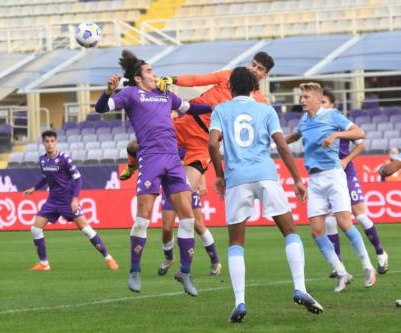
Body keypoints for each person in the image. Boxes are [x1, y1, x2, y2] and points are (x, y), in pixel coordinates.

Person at [128, 52, 276, 277]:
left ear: (264, 77)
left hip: (203, 143)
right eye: (253, 64)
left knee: (185, 200)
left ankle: (192, 263)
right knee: (133, 143)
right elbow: (199, 79)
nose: (254, 69)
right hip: (184, 123)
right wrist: (172, 80)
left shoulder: (259, 102)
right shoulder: (228, 76)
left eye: (259, 69)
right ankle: (132, 166)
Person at [208, 68, 322, 323]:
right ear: (253, 88)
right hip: (266, 175)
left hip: (237, 179)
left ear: (230, 88)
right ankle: (300, 287)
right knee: (290, 231)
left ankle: (239, 302)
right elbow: (282, 145)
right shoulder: (266, 109)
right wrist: (296, 179)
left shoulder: (221, 111)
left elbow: (212, 144)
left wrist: (219, 174)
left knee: (236, 243)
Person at [95, 50, 213, 296]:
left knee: (188, 217)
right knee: (144, 217)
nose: (155, 74)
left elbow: (190, 108)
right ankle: (135, 270)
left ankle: (186, 272)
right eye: (150, 71)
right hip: (150, 159)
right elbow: (102, 109)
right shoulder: (130, 93)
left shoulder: (165, 94)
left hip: (173, 161)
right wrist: (109, 91)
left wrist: (215, 107)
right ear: (138, 78)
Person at [286, 82, 376, 293]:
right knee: (317, 231)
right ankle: (342, 272)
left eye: (306, 97)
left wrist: (336, 135)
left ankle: (367, 265)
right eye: (301, 96)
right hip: (315, 180)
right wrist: (273, 141)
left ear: (318, 99)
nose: (302, 100)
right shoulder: (304, 120)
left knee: (345, 223)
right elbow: (293, 137)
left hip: (334, 175)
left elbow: (359, 133)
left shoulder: (332, 115)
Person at [24, 130, 118, 272]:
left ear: (56, 142)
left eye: (52, 141)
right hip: (52, 201)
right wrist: (35, 188)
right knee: (35, 229)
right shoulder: (42, 160)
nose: (49, 144)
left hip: (68, 200)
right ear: (43, 143)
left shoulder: (64, 159)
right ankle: (44, 263)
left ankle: (108, 258)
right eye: (47, 141)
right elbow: (46, 178)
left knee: (86, 229)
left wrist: (75, 199)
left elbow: (78, 179)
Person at [321, 89, 388, 277]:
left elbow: (361, 143)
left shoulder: (341, 122)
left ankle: (381, 253)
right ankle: (338, 264)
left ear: (332, 105)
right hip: (329, 175)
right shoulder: (316, 123)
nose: (322, 106)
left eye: (325, 102)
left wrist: (346, 160)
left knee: (360, 216)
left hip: (346, 172)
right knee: (329, 219)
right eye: (321, 102)